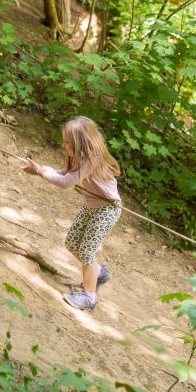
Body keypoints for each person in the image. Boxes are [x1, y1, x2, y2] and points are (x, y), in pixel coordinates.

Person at [23, 116, 122, 311]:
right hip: (91, 206)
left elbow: (66, 183)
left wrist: (41, 173)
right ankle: (99, 273)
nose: (64, 145)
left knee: (86, 250)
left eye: (68, 142)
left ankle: (89, 298)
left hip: (107, 210)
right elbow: (65, 174)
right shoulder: (78, 157)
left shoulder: (92, 159)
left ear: (82, 142)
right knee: (71, 242)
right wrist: (43, 170)